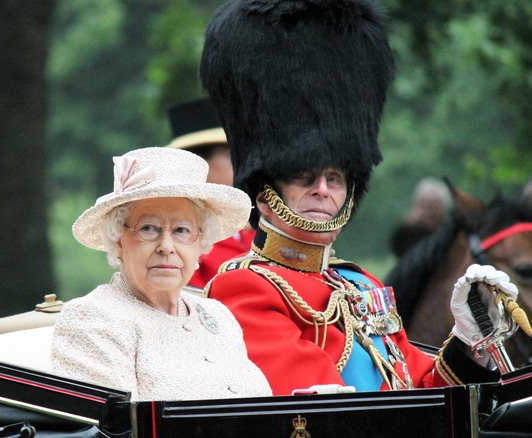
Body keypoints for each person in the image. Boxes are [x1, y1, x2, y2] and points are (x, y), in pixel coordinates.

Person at [200, 0, 518, 395]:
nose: (322, 189)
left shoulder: (361, 284)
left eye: (335, 178)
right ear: (265, 189)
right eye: (304, 175)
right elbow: (331, 412)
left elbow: (420, 386)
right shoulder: (245, 286)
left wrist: (470, 345)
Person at [51, 147, 271, 401]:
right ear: (118, 240)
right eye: (148, 228)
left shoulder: (218, 317)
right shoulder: (92, 320)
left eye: (181, 230)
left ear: (201, 242)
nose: (166, 246)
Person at [166, 98, 253, 289]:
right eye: (231, 156)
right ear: (198, 163)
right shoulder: (178, 238)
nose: (242, 164)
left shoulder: (251, 232)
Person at [390, 177, 452, 257]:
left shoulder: (451, 231)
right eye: (426, 206)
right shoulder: (409, 231)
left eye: (435, 206)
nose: (430, 212)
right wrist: (407, 226)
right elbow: (398, 250)